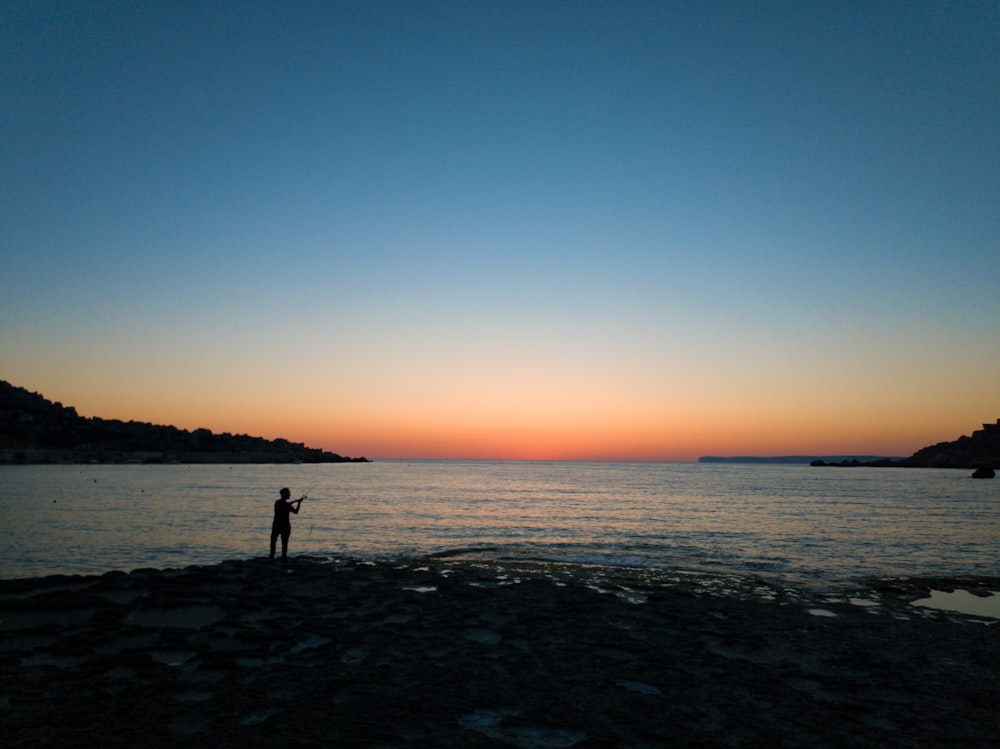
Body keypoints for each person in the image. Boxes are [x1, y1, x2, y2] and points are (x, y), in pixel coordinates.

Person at [270, 487, 305, 561]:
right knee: (283, 542)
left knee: (275, 542)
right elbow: (294, 510)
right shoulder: (282, 503)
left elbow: (295, 511)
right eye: (288, 493)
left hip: (277, 525)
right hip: (284, 525)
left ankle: (272, 557)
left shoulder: (278, 503)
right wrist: (297, 502)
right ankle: (283, 557)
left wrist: (298, 503)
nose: (290, 495)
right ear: (284, 494)